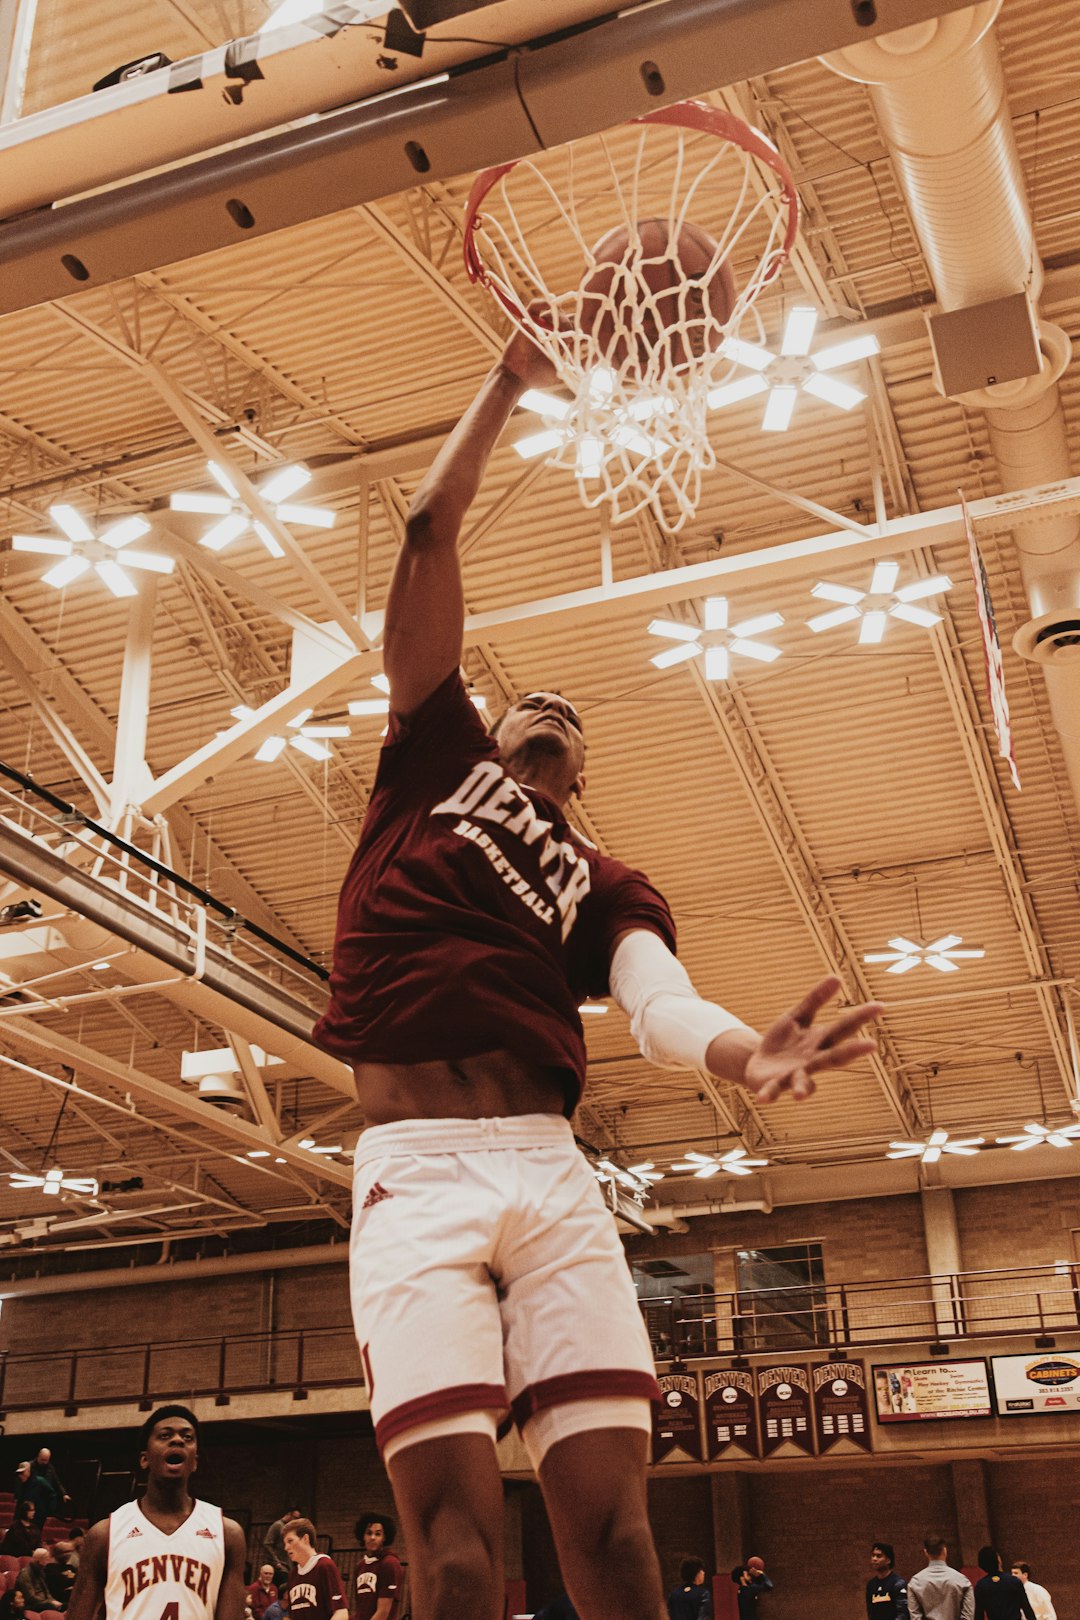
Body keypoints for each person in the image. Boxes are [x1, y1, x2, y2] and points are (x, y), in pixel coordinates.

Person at [312, 317, 883, 1620]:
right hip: (416, 1170)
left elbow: (658, 1003)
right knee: (456, 1558)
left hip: (550, 1170)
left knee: (620, 1548)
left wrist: (750, 1055)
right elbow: (425, 535)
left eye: (570, 724)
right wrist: (511, 379)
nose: (552, 712)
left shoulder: (606, 882)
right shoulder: (432, 755)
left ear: (583, 769)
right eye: (534, 708)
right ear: (493, 725)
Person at [63, 1404, 246, 1620]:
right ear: (145, 1459)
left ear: (194, 1462)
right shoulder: (105, 1534)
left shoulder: (227, 1533)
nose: (177, 1440)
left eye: (187, 1437)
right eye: (165, 1435)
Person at [281, 1519, 346, 1620]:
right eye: (285, 1543)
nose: (286, 1547)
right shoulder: (292, 1575)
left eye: (290, 1541)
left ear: (305, 1539)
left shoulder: (324, 1565)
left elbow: (341, 1613)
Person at [908, 1536, 974, 1620]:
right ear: (945, 1551)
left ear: (926, 1552)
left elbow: (915, 1617)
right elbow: (968, 1617)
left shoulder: (915, 1582)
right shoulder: (962, 1580)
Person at [352, 1515, 402, 1620]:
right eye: (369, 1533)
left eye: (378, 1534)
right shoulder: (360, 1566)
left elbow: (383, 1612)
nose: (372, 1537)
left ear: (384, 1537)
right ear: (363, 1536)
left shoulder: (390, 1563)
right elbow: (360, 1609)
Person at [974, 1550, 1035, 1620]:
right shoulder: (1014, 1581)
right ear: (999, 1561)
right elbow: (1027, 1609)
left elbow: (979, 1614)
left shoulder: (981, 1586)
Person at [867, 1542, 908, 1620]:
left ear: (888, 1560)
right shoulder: (871, 1585)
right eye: (873, 1555)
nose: (874, 1559)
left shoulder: (898, 1584)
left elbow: (903, 1614)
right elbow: (870, 1614)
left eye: (878, 1556)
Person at [264, 1513, 302, 1589]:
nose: (295, 1521)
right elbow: (267, 1544)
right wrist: (276, 1561)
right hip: (280, 1566)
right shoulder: (278, 1525)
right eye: (295, 1518)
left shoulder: (289, 1529)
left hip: (287, 1565)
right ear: (289, 1515)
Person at [33, 1450, 71, 1519]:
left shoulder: (50, 1468)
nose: (44, 1462)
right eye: (42, 1460)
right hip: (32, 1497)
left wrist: (64, 1494)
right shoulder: (30, 1466)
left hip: (44, 1498)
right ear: (38, 1456)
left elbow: (57, 1482)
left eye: (46, 1460)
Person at [15, 1462, 53, 1529]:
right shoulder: (21, 1484)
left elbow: (52, 1494)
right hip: (24, 1518)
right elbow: (19, 1502)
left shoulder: (40, 1481)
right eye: (19, 1474)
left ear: (28, 1471)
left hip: (38, 1518)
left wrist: (49, 1512)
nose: (20, 1476)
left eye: (22, 1473)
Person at [46, 1543, 80, 1607]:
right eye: (66, 1552)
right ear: (57, 1554)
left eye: (70, 1551)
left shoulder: (70, 1567)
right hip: (62, 1601)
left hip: (75, 1598)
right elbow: (60, 1583)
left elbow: (79, 1581)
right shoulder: (50, 1568)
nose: (69, 1554)